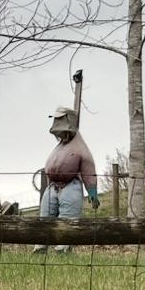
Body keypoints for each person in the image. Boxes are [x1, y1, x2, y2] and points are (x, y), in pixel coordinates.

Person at [35, 106, 99, 253]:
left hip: (71, 186)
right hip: (52, 187)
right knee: (45, 219)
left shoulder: (80, 147)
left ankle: (62, 250)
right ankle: (40, 248)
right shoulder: (60, 146)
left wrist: (92, 192)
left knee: (67, 222)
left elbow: (88, 168)